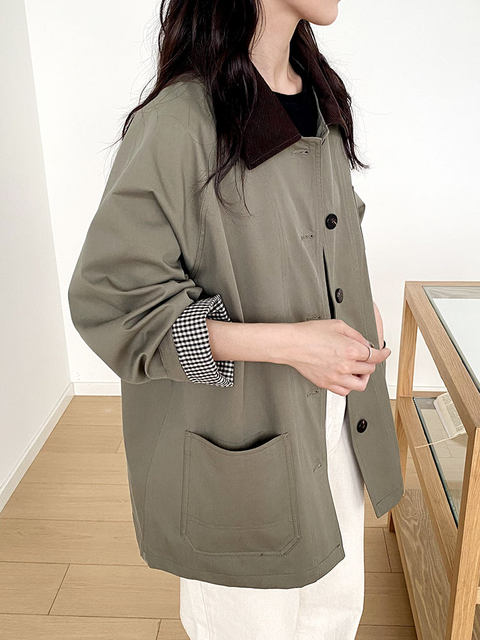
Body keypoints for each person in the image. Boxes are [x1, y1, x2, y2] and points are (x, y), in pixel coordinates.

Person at [68, 0, 404, 637]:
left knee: (333, 615)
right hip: (241, 442)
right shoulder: (181, 122)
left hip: (337, 420)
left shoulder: (318, 98)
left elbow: (335, 221)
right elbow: (113, 301)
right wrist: (290, 346)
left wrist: (356, 302)